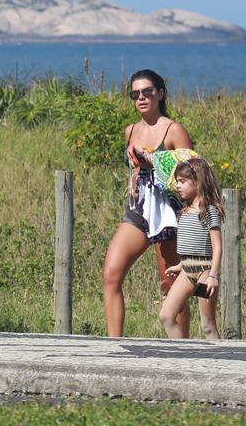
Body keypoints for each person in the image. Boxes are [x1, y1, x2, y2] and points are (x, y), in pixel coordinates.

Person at [102, 69, 192, 337]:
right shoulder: (130, 130)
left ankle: (182, 349)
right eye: (135, 94)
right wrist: (132, 179)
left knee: (172, 285)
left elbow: (192, 174)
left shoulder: (173, 129)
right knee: (111, 275)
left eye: (147, 92)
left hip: (168, 212)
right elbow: (133, 169)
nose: (141, 97)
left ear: (160, 94)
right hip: (138, 209)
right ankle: (114, 347)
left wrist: (153, 160)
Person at [159, 158, 224, 339]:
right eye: (177, 181)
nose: (178, 186)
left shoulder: (209, 211)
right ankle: (184, 354)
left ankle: (221, 362)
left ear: (198, 182)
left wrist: (213, 275)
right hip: (187, 270)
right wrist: (180, 265)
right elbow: (191, 245)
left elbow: (217, 247)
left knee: (207, 325)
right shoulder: (184, 211)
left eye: (182, 182)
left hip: (204, 271)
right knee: (166, 315)